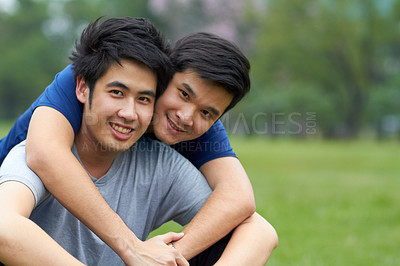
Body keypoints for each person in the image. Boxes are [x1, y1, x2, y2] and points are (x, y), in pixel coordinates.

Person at [0, 17, 276, 265]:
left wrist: (164, 256)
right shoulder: (80, 82)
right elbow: (44, 155)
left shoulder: (192, 133)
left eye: (207, 113)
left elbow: (240, 201)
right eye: (183, 94)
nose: (186, 116)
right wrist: (131, 247)